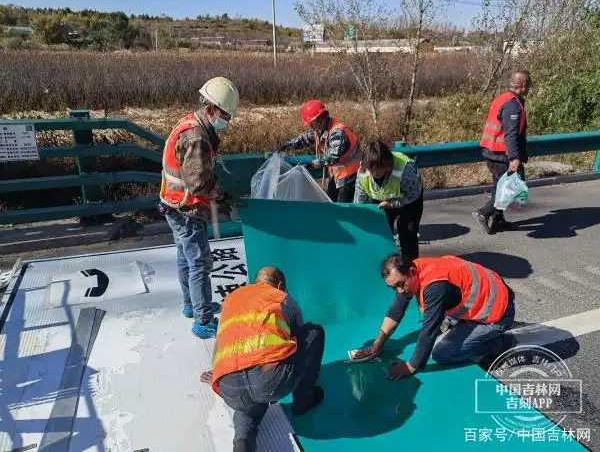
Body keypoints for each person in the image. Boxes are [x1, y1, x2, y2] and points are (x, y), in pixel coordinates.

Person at [200, 266, 326, 452]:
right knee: (314, 332)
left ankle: (242, 441)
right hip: (268, 379)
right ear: (280, 285)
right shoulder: (282, 298)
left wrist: (219, 376)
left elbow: (221, 340)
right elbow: (299, 341)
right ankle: (303, 401)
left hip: (228, 386)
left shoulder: (231, 299)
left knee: (247, 407)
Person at [158, 76, 244, 339]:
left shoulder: (191, 123)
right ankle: (203, 320)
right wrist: (224, 197)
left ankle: (192, 305)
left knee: (185, 258)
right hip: (187, 209)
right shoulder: (197, 137)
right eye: (225, 115)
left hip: (172, 204)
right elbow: (198, 183)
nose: (227, 120)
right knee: (199, 263)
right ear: (211, 109)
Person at [353, 254, 515, 379]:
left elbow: (429, 330)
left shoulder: (435, 287)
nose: (399, 291)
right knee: (439, 326)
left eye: (400, 285)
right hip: (482, 296)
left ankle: (497, 344)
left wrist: (412, 366)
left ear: (412, 272)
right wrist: (378, 343)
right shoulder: (412, 271)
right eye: (394, 288)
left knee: (441, 353)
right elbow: (397, 310)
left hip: (496, 313)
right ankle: (463, 329)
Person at [473, 70, 532, 234]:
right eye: (529, 85)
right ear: (524, 85)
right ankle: (483, 213)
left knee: (500, 187)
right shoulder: (512, 105)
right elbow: (511, 133)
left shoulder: (503, 98)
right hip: (501, 154)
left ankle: (498, 220)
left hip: (493, 151)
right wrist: (514, 157)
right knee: (511, 189)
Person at [275, 99, 361, 202]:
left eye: (312, 123)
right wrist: (287, 145)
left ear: (321, 119)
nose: (311, 127)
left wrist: (312, 164)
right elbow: (304, 140)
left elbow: (333, 158)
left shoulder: (338, 133)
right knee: (330, 204)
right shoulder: (319, 130)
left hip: (351, 177)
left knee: (342, 208)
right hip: (337, 175)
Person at [353, 141, 424, 261]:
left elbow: (413, 194)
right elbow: (360, 199)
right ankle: (385, 264)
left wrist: (392, 204)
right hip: (382, 199)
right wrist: (359, 219)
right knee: (382, 232)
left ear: (387, 164)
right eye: (372, 169)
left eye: (379, 168)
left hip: (408, 199)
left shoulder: (405, 170)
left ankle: (410, 265)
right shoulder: (363, 172)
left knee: (407, 233)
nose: (375, 172)